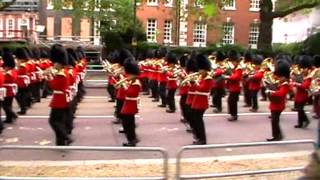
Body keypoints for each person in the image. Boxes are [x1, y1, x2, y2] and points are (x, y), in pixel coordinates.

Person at [48, 44, 72, 146]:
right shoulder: (63, 71)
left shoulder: (60, 74)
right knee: (59, 121)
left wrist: (49, 77)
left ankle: (66, 137)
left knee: (53, 121)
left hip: (59, 100)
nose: (54, 64)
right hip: (62, 99)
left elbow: (54, 86)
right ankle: (61, 141)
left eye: (55, 63)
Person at [189, 54, 213, 145]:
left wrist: (194, 83)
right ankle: (198, 136)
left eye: (201, 69)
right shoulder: (201, 77)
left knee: (199, 120)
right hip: (197, 100)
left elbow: (202, 88)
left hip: (202, 101)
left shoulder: (208, 78)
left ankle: (202, 139)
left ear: (205, 69)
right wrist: (192, 83)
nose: (199, 71)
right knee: (195, 119)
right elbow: (195, 88)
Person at [266, 60, 290, 141]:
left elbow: (280, 94)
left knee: (274, 121)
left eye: (280, 76)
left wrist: (271, 92)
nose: (279, 78)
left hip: (278, 105)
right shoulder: (280, 82)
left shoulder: (285, 84)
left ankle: (277, 136)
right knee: (274, 121)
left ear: (285, 76)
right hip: (275, 104)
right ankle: (278, 135)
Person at [120, 57, 141, 146]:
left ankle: (132, 139)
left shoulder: (136, 82)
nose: (127, 76)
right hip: (128, 104)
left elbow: (130, 93)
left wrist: (124, 85)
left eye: (129, 74)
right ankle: (132, 138)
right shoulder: (132, 81)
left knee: (129, 123)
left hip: (131, 105)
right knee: (127, 122)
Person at [292, 55, 312, 128]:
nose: (303, 69)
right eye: (303, 68)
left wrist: (296, 84)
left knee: (300, 109)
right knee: (299, 110)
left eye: (305, 68)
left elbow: (305, 86)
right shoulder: (301, 75)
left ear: (308, 68)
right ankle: (300, 123)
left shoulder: (309, 77)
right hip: (298, 94)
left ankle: (305, 120)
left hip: (303, 95)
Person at [226, 50, 242, 121]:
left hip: (235, 88)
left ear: (236, 61)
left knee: (232, 101)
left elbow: (236, 77)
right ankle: (233, 114)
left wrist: (228, 77)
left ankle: (234, 115)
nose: (232, 63)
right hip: (232, 87)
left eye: (233, 61)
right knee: (231, 101)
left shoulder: (239, 68)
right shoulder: (235, 68)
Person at [2, 49, 18, 124]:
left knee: (5, 105)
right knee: (8, 105)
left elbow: (5, 80)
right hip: (10, 90)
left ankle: (13, 115)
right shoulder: (12, 71)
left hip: (7, 90)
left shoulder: (9, 72)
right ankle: (9, 118)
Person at [15, 48, 31, 115]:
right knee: (23, 95)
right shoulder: (25, 64)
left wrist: (16, 66)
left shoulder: (22, 65)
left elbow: (18, 72)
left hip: (21, 82)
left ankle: (23, 108)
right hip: (24, 81)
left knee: (19, 96)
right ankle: (24, 106)